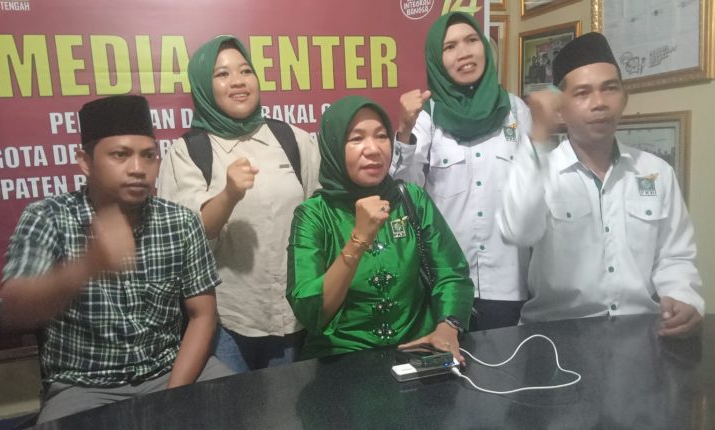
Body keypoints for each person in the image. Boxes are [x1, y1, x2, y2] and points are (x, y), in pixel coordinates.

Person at [0, 95, 231, 423]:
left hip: (171, 371)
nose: (138, 169)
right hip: (83, 386)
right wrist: (88, 266)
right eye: (120, 155)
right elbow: (15, 310)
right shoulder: (48, 217)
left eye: (148, 155)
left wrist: (172, 397)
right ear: (85, 162)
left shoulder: (180, 221)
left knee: (244, 409)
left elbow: (202, 315)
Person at [498, 32, 704, 336]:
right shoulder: (540, 172)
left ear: (624, 98)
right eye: (582, 93)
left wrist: (683, 297)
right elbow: (517, 230)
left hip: (641, 334)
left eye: (609, 89)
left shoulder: (656, 172)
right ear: (560, 108)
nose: (599, 103)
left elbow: (675, 256)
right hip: (557, 336)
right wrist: (538, 134)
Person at [157, 35, 320, 372]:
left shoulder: (293, 139)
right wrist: (229, 195)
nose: (238, 81)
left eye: (245, 71)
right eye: (222, 74)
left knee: (291, 403)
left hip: (295, 315)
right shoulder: (189, 151)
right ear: (204, 87)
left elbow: (318, 216)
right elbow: (189, 238)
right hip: (228, 321)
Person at [287, 95, 474, 362]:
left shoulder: (411, 198)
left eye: (381, 136)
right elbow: (309, 309)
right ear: (333, 146)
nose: (373, 149)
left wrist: (447, 327)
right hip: (341, 360)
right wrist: (358, 240)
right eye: (356, 139)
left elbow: (451, 272)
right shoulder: (314, 214)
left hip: (416, 349)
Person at [390, 11, 531, 330]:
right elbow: (403, 194)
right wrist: (405, 130)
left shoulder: (514, 111)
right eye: (450, 47)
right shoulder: (427, 116)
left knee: (508, 361)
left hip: (509, 282)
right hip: (447, 281)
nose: (464, 53)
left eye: (471, 41)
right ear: (437, 59)